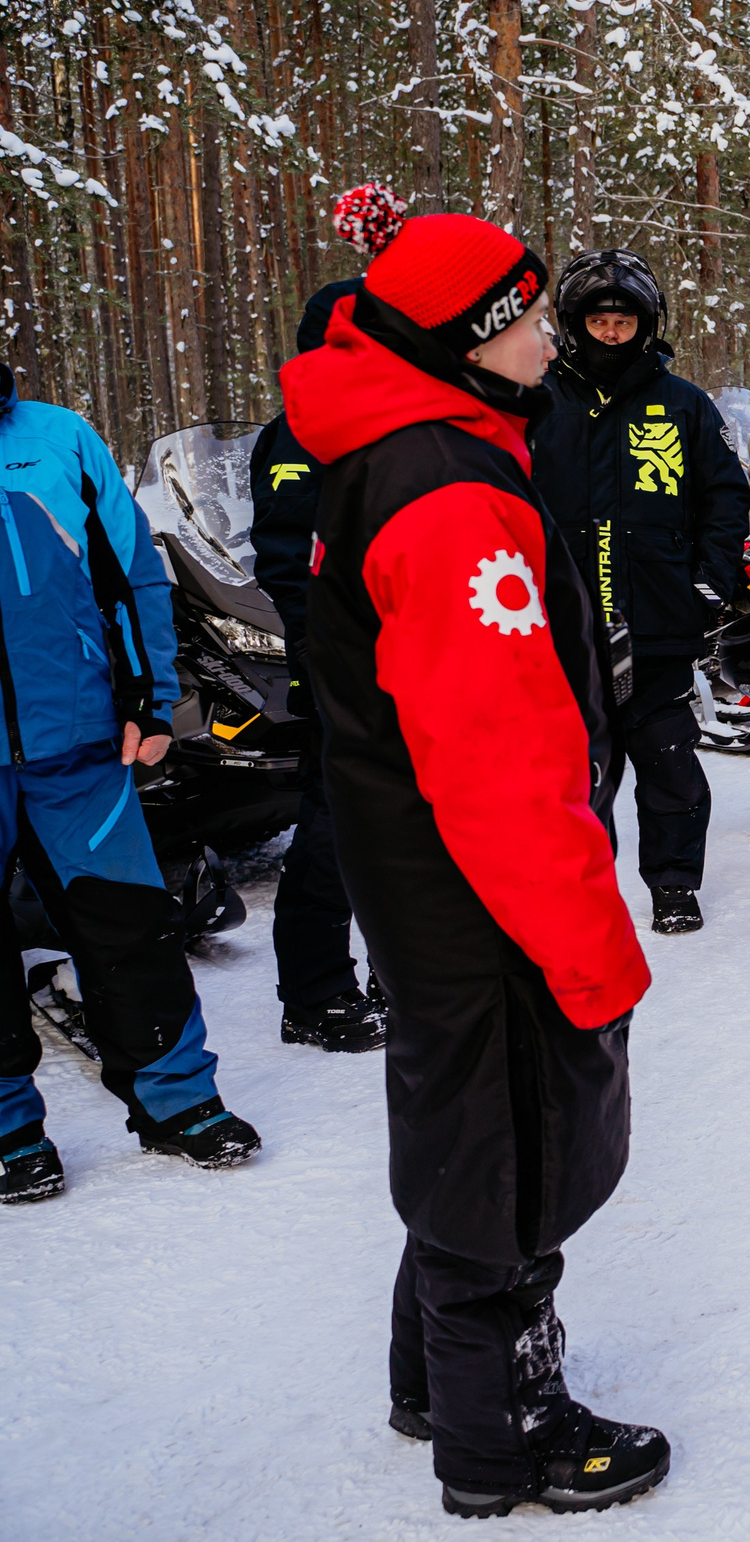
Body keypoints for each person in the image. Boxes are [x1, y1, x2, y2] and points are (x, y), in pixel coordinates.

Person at [280, 195, 668, 1516]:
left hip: (418, 862)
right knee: (510, 1139)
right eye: (525, 321)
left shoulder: (413, 438)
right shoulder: (445, 491)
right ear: (460, 340)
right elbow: (497, 757)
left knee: (460, 1115)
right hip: (475, 875)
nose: (548, 340)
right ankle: (507, 1432)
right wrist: (586, 939)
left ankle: (432, 1382)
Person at [0, 362, 264, 1203]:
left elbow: (128, 570)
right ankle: (8, 1131)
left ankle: (179, 1101)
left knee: (131, 925)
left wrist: (152, 697)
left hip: (76, 740)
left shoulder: (56, 438)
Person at [529, 248, 748, 935]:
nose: (612, 333)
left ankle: (675, 883)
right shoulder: (534, 400)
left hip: (657, 617)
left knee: (670, 761)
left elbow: (724, 495)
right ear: (573, 324)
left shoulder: (683, 404)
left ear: (647, 325)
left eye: (624, 321)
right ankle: (574, 895)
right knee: (571, 774)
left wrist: (711, 577)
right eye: (599, 320)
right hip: (559, 625)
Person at [250, 231, 389, 1052]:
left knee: (407, 825)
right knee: (337, 823)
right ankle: (314, 990)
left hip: (412, 660)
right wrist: (328, 646)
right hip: (340, 663)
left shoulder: (399, 427)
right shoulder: (298, 436)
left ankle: (395, 968)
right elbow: (286, 559)